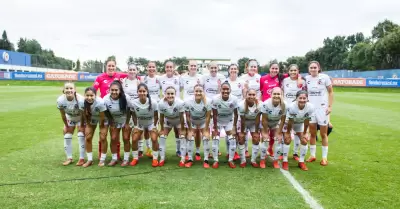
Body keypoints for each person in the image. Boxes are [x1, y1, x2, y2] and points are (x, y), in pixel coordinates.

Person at [93, 58, 127, 160]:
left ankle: (116, 155)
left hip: (116, 110)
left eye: (113, 66)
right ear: (106, 66)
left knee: (114, 135)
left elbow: (134, 75)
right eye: (109, 66)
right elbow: (93, 91)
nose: (111, 67)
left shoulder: (120, 76)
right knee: (102, 134)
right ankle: (101, 154)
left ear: (115, 67)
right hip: (104, 110)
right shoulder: (100, 78)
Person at [304, 61, 334, 166]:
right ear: (308, 69)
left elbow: (330, 92)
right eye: (311, 67)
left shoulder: (325, 77)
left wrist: (330, 106)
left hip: (322, 109)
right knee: (312, 133)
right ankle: (312, 155)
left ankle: (324, 158)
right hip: (311, 109)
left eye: (314, 67)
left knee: (323, 134)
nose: (313, 69)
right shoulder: (306, 79)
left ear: (318, 68)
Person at [284, 90, 315, 171]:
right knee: (287, 140)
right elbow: (290, 121)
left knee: (304, 141)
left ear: (307, 99)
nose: (302, 100)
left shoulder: (311, 107)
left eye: (304, 98)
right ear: (296, 98)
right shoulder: (291, 106)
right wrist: (288, 133)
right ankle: (285, 161)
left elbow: (307, 121)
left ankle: (301, 162)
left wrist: (305, 133)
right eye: (300, 98)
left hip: (299, 123)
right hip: (288, 123)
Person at [130, 83, 160, 167]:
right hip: (140, 123)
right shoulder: (134, 103)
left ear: (147, 92)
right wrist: (135, 126)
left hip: (151, 123)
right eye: (140, 91)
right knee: (134, 139)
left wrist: (154, 126)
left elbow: (156, 115)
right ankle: (135, 158)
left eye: (144, 91)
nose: (142, 93)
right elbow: (133, 115)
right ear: (137, 92)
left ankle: (155, 158)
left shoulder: (153, 102)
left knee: (154, 139)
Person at [203, 61, 228, 157]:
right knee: (207, 129)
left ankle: (215, 150)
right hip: (208, 106)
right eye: (211, 68)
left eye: (215, 68)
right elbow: (202, 90)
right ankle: (207, 151)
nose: (213, 70)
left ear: (218, 68)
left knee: (215, 129)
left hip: (218, 106)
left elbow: (222, 91)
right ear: (209, 68)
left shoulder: (222, 77)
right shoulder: (204, 77)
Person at [103, 81, 132, 166]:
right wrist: (111, 121)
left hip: (126, 120)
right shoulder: (105, 99)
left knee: (126, 138)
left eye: (116, 90)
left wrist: (127, 123)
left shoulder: (126, 97)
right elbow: (106, 111)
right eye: (112, 90)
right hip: (115, 121)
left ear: (120, 90)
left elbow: (130, 111)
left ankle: (126, 159)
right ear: (109, 90)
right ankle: (114, 158)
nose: (114, 92)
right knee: (113, 138)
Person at [180, 60, 204, 161]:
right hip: (187, 107)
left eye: (195, 66)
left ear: (197, 67)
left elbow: (203, 91)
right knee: (187, 130)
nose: (193, 67)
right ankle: (186, 151)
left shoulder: (201, 78)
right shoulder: (183, 77)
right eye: (191, 66)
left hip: (198, 107)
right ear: (188, 67)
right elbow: (178, 89)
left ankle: (197, 151)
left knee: (198, 131)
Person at [211, 81, 239, 168]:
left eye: (227, 89)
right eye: (224, 89)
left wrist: (234, 126)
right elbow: (214, 115)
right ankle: (215, 160)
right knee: (215, 139)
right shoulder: (215, 99)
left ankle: (230, 160)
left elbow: (236, 114)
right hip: (218, 121)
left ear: (230, 90)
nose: (225, 91)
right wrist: (215, 128)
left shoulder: (234, 99)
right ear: (220, 89)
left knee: (232, 140)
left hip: (229, 121)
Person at [56, 82, 85, 166]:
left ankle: (81, 159)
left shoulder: (80, 100)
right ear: (63, 90)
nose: (69, 90)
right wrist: (67, 125)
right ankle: (69, 158)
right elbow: (62, 114)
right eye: (67, 88)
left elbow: (84, 114)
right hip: (70, 117)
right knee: (67, 135)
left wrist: (82, 125)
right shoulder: (60, 100)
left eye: (71, 88)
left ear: (75, 90)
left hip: (80, 117)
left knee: (81, 135)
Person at [184, 84, 212, 168]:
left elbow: (208, 116)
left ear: (203, 92)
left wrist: (206, 130)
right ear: (194, 92)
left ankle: (206, 160)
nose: (198, 93)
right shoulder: (188, 102)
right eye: (196, 91)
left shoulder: (208, 101)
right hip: (192, 121)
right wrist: (189, 130)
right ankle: (190, 159)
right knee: (191, 137)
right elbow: (188, 117)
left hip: (203, 122)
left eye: (200, 91)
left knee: (205, 138)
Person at [159, 61, 182, 157]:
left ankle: (178, 150)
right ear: (165, 68)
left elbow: (182, 88)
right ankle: (161, 155)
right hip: (166, 107)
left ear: (174, 68)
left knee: (178, 132)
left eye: (171, 67)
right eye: (167, 67)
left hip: (176, 107)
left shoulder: (179, 78)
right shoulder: (160, 78)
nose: (169, 69)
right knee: (163, 134)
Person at [158, 86, 186, 167]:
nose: (170, 95)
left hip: (178, 120)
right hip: (168, 121)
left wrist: (183, 129)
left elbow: (181, 117)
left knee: (182, 136)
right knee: (162, 137)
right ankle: (162, 158)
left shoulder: (180, 102)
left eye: (172, 94)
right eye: (168, 94)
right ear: (165, 94)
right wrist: (162, 129)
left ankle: (183, 159)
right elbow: (161, 117)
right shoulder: (161, 103)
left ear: (175, 94)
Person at [282, 64, 305, 160]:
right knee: (285, 131)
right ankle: (283, 153)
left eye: (295, 70)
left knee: (297, 131)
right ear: (288, 71)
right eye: (291, 70)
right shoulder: (285, 81)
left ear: (298, 71)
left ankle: (295, 153)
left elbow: (304, 95)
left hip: (298, 109)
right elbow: (282, 93)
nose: (293, 72)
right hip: (287, 109)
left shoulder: (302, 82)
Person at [81, 87, 108, 167]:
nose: (89, 98)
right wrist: (88, 124)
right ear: (84, 95)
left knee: (103, 137)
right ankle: (90, 160)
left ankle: (102, 159)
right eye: (87, 95)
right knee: (88, 137)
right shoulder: (82, 102)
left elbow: (102, 117)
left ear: (95, 95)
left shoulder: (100, 102)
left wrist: (102, 127)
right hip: (92, 118)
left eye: (91, 95)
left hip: (103, 119)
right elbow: (84, 114)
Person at [260, 87, 287, 169]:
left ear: (281, 95)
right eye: (274, 94)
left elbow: (283, 120)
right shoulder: (265, 104)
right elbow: (264, 120)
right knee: (265, 139)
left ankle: (275, 160)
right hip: (266, 123)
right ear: (271, 95)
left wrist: (279, 133)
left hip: (276, 123)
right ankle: (262, 159)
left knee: (278, 140)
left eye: (278, 94)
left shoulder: (285, 105)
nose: (276, 96)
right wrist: (265, 132)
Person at [240, 59, 262, 157]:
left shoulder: (259, 77)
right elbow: (243, 93)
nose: (253, 68)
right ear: (247, 67)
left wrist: (258, 104)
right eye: (251, 66)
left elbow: (260, 92)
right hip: (246, 105)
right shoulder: (243, 78)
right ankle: (245, 150)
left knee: (256, 131)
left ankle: (256, 153)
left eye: (255, 66)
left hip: (257, 105)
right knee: (243, 131)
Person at [121, 63, 143, 156]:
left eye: (134, 70)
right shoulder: (123, 81)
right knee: (127, 129)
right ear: (127, 71)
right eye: (130, 69)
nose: (132, 71)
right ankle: (129, 150)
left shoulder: (139, 82)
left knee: (138, 128)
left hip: (137, 109)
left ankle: (140, 149)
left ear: (137, 71)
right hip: (126, 110)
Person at [141, 61, 161, 158]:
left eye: (153, 67)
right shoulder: (143, 79)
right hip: (146, 107)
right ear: (147, 68)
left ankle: (156, 148)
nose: (151, 69)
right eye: (150, 67)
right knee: (145, 129)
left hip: (156, 107)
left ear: (155, 68)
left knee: (155, 128)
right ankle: (148, 148)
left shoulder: (159, 79)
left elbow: (165, 89)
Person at [238, 89, 261, 168]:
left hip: (254, 122)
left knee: (256, 138)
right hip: (243, 122)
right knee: (241, 138)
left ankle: (253, 160)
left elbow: (258, 119)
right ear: (246, 95)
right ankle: (243, 160)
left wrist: (256, 132)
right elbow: (242, 120)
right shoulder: (241, 105)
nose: (251, 96)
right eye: (249, 94)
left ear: (256, 96)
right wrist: (242, 132)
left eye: (253, 95)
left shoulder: (260, 104)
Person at [225, 63, 244, 160]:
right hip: (228, 110)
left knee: (236, 131)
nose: (233, 70)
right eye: (231, 68)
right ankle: (228, 151)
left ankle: (234, 151)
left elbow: (244, 95)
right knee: (229, 131)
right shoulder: (225, 81)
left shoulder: (241, 82)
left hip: (239, 110)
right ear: (229, 70)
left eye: (235, 69)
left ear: (238, 70)